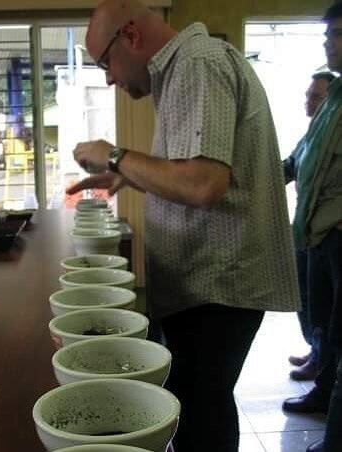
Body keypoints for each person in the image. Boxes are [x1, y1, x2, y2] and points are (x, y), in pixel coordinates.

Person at [66, 1, 300, 451]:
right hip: (206, 282)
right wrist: (126, 174)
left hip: (219, 285)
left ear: (129, 35)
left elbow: (202, 184)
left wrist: (115, 155)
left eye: (105, 63)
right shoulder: (181, 70)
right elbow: (189, 170)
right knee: (197, 404)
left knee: (201, 412)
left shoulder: (198, 63)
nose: (110, 78)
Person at [283, 4, 342, 452]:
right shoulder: (332, 107)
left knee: (337, 331)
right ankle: (323, 393)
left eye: (337, 34)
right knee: (319, 318)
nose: (329, 42)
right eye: (326, 35)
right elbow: (298, 164)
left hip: (338, 234)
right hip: (319, 233)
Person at [283, 71, 335, 382]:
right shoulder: (311, 134)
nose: (309, 101)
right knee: (305, 298)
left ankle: (322, 362)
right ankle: (316, 351)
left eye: (316, 97)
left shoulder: (331, 134)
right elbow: (289, 166)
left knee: (321, 305)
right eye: (308, 95)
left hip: (325, 233)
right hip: (305, 229)